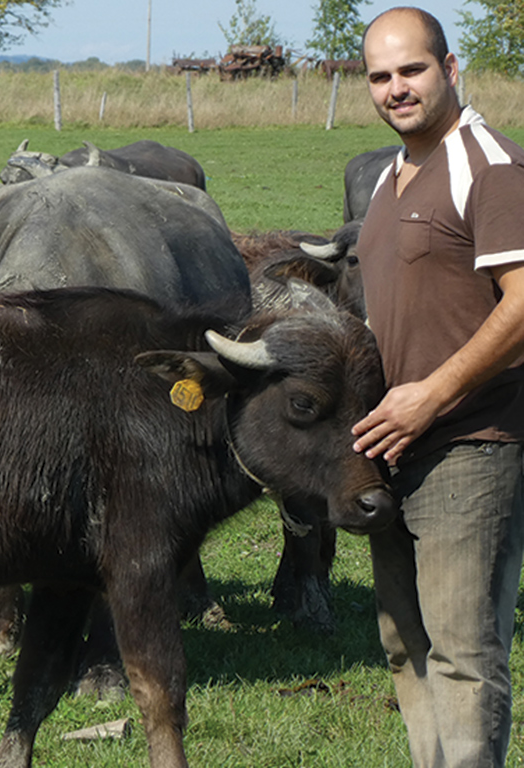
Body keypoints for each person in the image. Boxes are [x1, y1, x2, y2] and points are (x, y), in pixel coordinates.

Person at [351, 7, 524, 766]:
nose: (396, 89)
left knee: (461, 653)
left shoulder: (489, 166)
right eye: (380, 77)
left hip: (469, 445)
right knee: (405, 647)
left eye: (412, 70)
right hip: (393, 448)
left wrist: (432, 395)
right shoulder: (393, 176)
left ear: (450, 70)